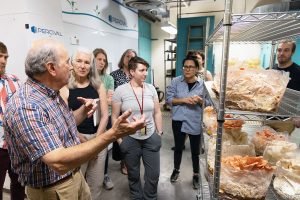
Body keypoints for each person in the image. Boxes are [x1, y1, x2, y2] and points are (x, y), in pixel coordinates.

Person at [3, 39, 145, 200]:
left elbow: (66, 123)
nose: (72, 67)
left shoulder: (50, 94)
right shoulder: (27, 106)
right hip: (55, 189)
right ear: (51, 68)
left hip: (73, 178)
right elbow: (59, 162)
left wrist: (84, 111)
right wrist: (113, 134)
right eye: (68, 62)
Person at [60, 47, 108, 199]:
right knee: (76, 185)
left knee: (96, 184)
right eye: (79, 61)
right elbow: (63, 119)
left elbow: (105, 116)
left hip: (98, 138)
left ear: (91, 66)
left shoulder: (98, 85)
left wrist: (96, 143)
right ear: (72, 63)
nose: (82, 66)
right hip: (76, 141)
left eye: (87, 62)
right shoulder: (65, 87)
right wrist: (82, 140)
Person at [112, 56, 163, 200]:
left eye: (146, 70)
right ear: (132, 72)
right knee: (133, 174)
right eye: (142, 70)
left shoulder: (151, 89)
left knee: (153, 175)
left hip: (150, 136)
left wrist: (159, 132)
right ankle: (136, 197)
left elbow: (157, 112)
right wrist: (120, 140)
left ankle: (150, 197)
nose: (145, 73)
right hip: (130, 138)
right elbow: (115, 117)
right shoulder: (120, 91)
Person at [166, 56, 206, 189]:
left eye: (191, 67)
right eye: (185, 67)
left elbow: (209, 105)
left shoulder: (203, 84)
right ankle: (176, 170)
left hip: (195, 120)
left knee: (195, 151)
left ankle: (195, 174)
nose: (188, 69)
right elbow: (169, 100)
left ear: (196, 69)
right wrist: (184, 100)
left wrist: (200, 101)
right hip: (178, 120)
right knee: (178, 148)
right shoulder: (176, 81)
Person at [0, 41, 25, 200]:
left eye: (5, 57)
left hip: (17, 145)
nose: (3, 60)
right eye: (0, 57)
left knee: (19, 184)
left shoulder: (14, 80)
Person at [110, 49, 137, 175]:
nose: (129, 58)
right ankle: (123, 162)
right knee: (122, 139)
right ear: (123, 58)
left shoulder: (136, 74)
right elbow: (111, 94)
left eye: (132, 57)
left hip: (135, 111)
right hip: (120, 112)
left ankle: (131, 160)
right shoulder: (114, 75)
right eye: (127, 56)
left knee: (134, 138)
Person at [93, 48, 114, 190]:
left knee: (103, 147)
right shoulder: (88, 77)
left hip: (106, 116)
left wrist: (101, 100)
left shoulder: (109, 79)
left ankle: (105, 174)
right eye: (99, 59)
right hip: (88, 118)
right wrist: (103, 99)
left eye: (104, 60)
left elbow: (110, 100)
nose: (102, 62)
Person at [272, 39, 300, 128]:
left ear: (292, 52)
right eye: (279, 50)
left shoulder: (298, 72)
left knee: (279, 142)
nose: (281, 53)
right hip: (266, 117)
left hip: (287, 120)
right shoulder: (270, 70)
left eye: (286, 50)